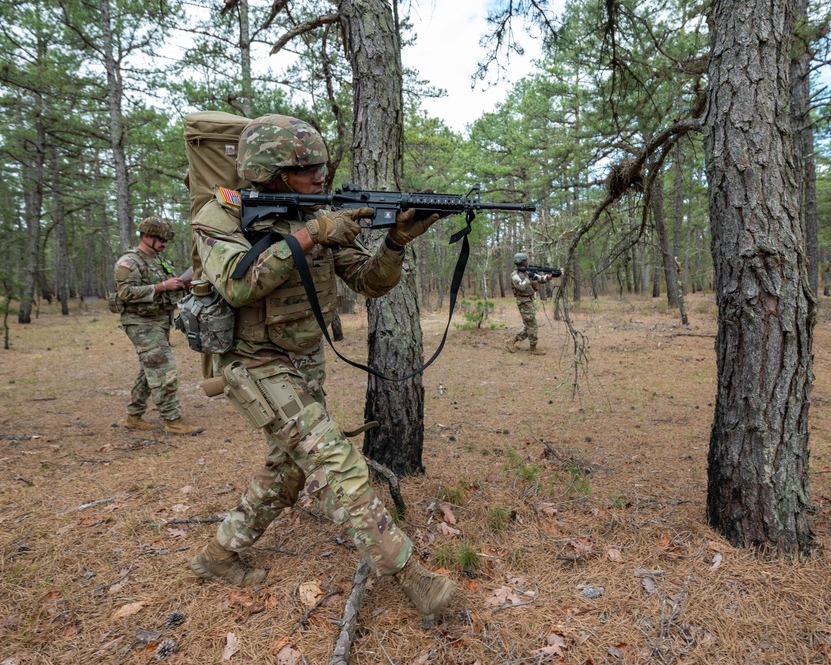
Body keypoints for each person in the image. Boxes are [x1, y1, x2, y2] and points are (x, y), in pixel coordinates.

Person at [186, 114, 456, 622]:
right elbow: (240, 285)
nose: (322, 174)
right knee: (336, 462)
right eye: (309, 167)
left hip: (303, 361)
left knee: (288, 471)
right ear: (273, 172)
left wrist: (396, 241)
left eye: (322, 165)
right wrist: (312, 234)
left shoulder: (324, 212)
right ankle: (411, 578)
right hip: (255, 364)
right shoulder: (220, 216)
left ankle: (217, 555)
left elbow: (371, 282)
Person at [114, 217, 203, 435]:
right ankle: (173, 420)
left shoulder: (160, 260)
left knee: (149, 369)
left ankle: (134, 416)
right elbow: (125, 293)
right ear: (146, 236)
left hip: (160, 320)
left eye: (166, 240)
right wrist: (162, 286)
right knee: (163, 369)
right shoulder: (129, 261)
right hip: (140, 322)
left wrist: (181, 285)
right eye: (160, 239)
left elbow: (168, 289)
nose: (164, 243)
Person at [506, 252, 554, 355]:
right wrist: (528, 278)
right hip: (523, 302)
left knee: (529, 324)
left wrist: (548, 277)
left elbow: (540, 279)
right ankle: (533, 348)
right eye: (525, 261)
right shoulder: (514, 275)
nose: (527, 262)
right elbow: (521, 287)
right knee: (532, 325)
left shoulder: (528, 271)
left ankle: (512, 341)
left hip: (529, 301)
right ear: (521, 262)